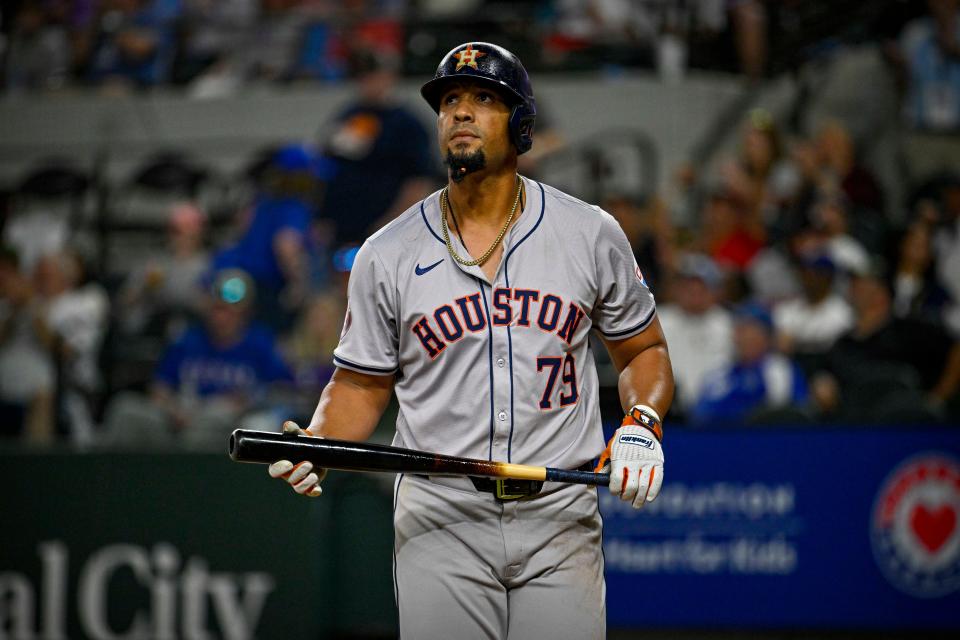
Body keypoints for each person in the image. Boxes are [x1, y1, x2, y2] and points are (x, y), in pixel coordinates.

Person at [266, 42, 674, 638]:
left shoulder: (589, 233)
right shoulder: (386, 252)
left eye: (484, 98)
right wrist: (322, 444)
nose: (460, 112)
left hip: (558, 509)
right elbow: (360, 382)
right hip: (442, 516)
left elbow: (643, 349)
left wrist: (641, 421)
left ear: (522, 124)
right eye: (450, 100)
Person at [101, 269, 293, 449]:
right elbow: (160, 385)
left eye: (231, 311)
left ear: (246, 314)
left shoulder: (261, 343)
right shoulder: (188, 340)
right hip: (177, 415)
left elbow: (280, 388)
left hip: (228, 425)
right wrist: (172, 409)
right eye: (218, 309)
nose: (222, 317)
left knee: (217, 418)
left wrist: (245, 401)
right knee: (124, 409)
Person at [316, 48, 436, 246]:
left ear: (389, 77)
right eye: (362, 77)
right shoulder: (349, 116)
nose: (367, 82)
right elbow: (329, 168)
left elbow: (419, 182)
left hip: (386, 232)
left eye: (373, 75)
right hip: (343, 229)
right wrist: (323, 216)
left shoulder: (407, 124)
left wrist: (391, 225)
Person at [692, 303, 809, 424]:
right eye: (741, 330)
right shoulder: (718, 373)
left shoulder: (781, 370)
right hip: (718, 438)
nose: (746, 338)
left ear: (768, 337)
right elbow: (700, 413)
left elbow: (791, 414)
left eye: (753, 331)